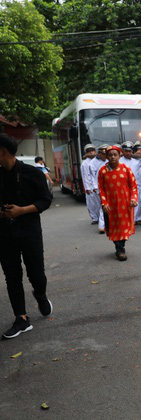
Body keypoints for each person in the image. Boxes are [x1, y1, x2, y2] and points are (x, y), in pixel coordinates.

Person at [0, 134, 53, 339]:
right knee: (12, 276)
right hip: (4, 233)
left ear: (3, 151)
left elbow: (45, 200)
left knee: (36, 274)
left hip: (29, 231)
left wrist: (21, 211)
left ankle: (40, 294)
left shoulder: (33, 173)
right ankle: (21, 319)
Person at [98, 145, 138, 261]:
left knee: (123, 227)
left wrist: (134, 198)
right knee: (113, 227)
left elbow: (134, 185)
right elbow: (101, 189)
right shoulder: (103, 171)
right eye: (110, 155)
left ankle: (121, 248)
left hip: (124, 204)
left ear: (119, 156)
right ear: (106, 157)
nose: (113, 157)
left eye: (115, 155)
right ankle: (119, 249)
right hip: (110, 205)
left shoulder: (126, 169)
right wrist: (104, 203)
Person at [89, 145, 108, 234]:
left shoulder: (109, 160)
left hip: (109, 187)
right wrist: (95, 187)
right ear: (99, 153)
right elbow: (91, 177)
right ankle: (102, 225)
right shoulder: (93, 163)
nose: (105, 156)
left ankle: (107, 224)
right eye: (104, 154)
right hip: (99, 188)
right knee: (102, 206)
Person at [80, 144, 100, 224]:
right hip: (90, 187)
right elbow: (85, 176)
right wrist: (87, 188)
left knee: (99, 203)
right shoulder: (85, 163)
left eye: (92, 150)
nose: (91, 152)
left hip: (98, 185)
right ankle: (94, 218)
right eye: (89, 151)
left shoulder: (98, 161)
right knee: (91, 203)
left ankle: (101, 218)